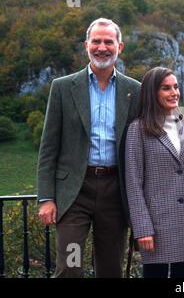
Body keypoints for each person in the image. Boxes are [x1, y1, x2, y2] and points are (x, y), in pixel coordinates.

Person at [37, 18, 141, 278]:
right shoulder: (62, 87)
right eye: (96, 41)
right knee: (69, 269)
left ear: (120, 46)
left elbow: (142, 147)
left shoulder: (134, 90)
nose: (102, 47)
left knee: (110, 270)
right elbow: (49, 147)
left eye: (109, 42)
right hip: (74, 193)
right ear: (87, 45)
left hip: (116, 193)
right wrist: (46, 197)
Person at [125, 67, 184, 278]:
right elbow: (133, 183)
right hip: (156, 225)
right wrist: (142, 228)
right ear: (152, 93)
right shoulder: (138, 129)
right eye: (166, 88)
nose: (174, 92)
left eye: (175, 87)